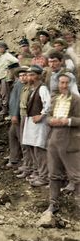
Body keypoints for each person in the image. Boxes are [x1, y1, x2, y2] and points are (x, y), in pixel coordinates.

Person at [43, 73, 80, 214]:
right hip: (54, 139)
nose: (63, 86)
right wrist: (50, 120)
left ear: (71, 84)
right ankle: (53, 205)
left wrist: (68, 121)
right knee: (53, 174)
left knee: (76, 176)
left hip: (70, 140)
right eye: (61, 83)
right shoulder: (56, 99)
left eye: (66, 83)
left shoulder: (76, 100)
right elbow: (48, 116)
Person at [22, 65, 51, 187]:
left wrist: (41, 115)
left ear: (38, 76)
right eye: (28, 75)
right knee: (32, 146)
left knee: (39, 148)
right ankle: (39, 172)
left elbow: (48, 104)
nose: (29, 77)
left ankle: (44, 177)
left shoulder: (42, 88)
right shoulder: (32, 89)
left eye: (32, 75)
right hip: (31, 121)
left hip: (39, 123)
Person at [6, 66, 29, 168]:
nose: (22, 78)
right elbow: (13, 101)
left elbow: (18, 102)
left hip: (20, 116)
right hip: (15, 116)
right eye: (20, 76)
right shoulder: (18, 84)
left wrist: (15, 115)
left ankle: (26, 163)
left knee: (22, 138)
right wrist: (12, 114)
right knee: (12, 135)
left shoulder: (25, 86)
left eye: (24, 75)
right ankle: (14, 159)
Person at [0, 41, 19, 117]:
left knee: (5, 95)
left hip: (5, 77)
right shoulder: (1, 56)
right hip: (0, 78)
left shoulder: (8, 55)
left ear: (4, 48)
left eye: (0, 48)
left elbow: (16, 61)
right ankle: (4, 109)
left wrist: (10, 71)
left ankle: (7, 111)